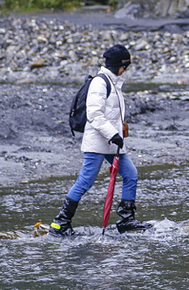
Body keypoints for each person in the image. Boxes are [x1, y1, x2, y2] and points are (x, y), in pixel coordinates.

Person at [49, 44, 149, 235]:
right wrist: (113, 134)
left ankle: (127, 220)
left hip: (113, 143)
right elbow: (94, 114)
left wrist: (118, 133)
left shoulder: (114, 83)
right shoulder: (100, 83)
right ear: (119, 65)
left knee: (131, 175)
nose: (125, 70)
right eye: (125, 66)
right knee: (85, 181)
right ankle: (60, 223)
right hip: (98, 143)